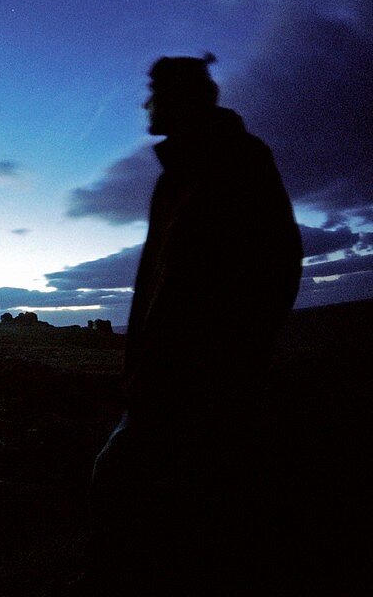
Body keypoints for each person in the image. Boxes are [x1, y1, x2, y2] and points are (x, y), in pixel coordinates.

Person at [85, 54, 302, 594]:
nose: (145, 103)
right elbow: (161, 280)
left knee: (136, 488)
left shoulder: (235, 160)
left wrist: (230, 360)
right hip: (167, 378)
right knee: (174, 501)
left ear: (180, 97)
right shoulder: (179, 173)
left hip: (204, 380)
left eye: (155, 92)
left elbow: (276, 263)